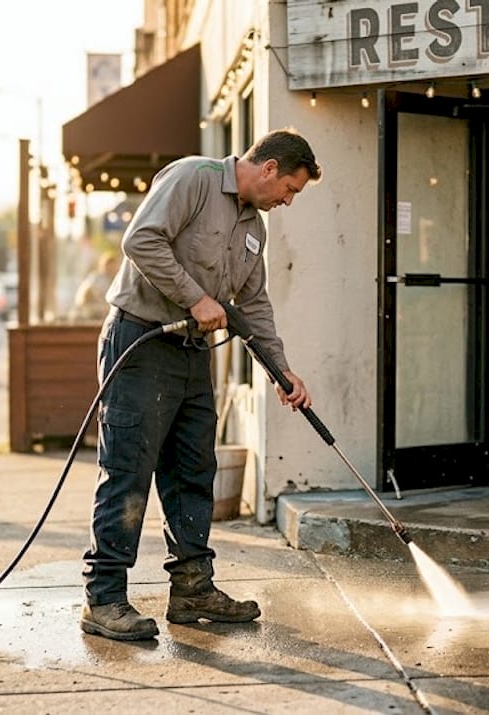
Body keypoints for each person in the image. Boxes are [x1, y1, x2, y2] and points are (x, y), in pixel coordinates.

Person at [81, 128, 322, 641]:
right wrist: (195, 298)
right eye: (290, 189)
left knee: (193, 471)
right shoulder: (194, 177)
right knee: (128, 470)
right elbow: (140, 240)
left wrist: (280, 371)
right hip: (140, 341)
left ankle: (192, 589)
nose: (288, 201)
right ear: (270, 168)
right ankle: (103, 599)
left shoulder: (254, 227)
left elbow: (253, 304)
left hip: (190, 354)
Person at [69, 250, 120, 322]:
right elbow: (84, 295)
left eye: (113, 265)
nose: (111, 268)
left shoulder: (117, 280)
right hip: (92, 313)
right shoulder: (95, 278)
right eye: (109, 265)